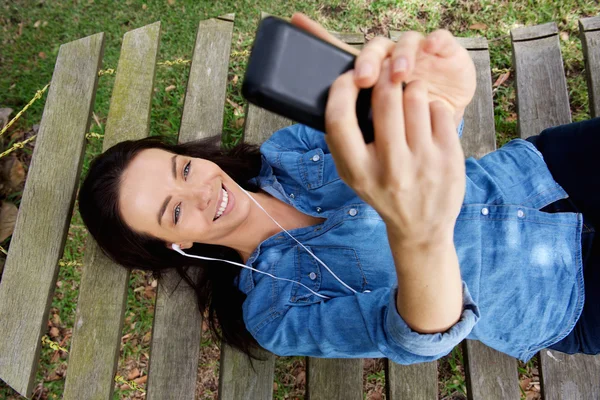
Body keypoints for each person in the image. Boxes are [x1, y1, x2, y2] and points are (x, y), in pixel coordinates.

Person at [78, 13, 598, 364]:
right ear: (176, 245)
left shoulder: (290, 150)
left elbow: (416, 135)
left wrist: (437, 101)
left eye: (183, 170)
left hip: (538, 171)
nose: (201, 192)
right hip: (559, 300)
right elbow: (416, 336)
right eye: (174, 212)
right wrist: (418, 234)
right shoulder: (274, 314)